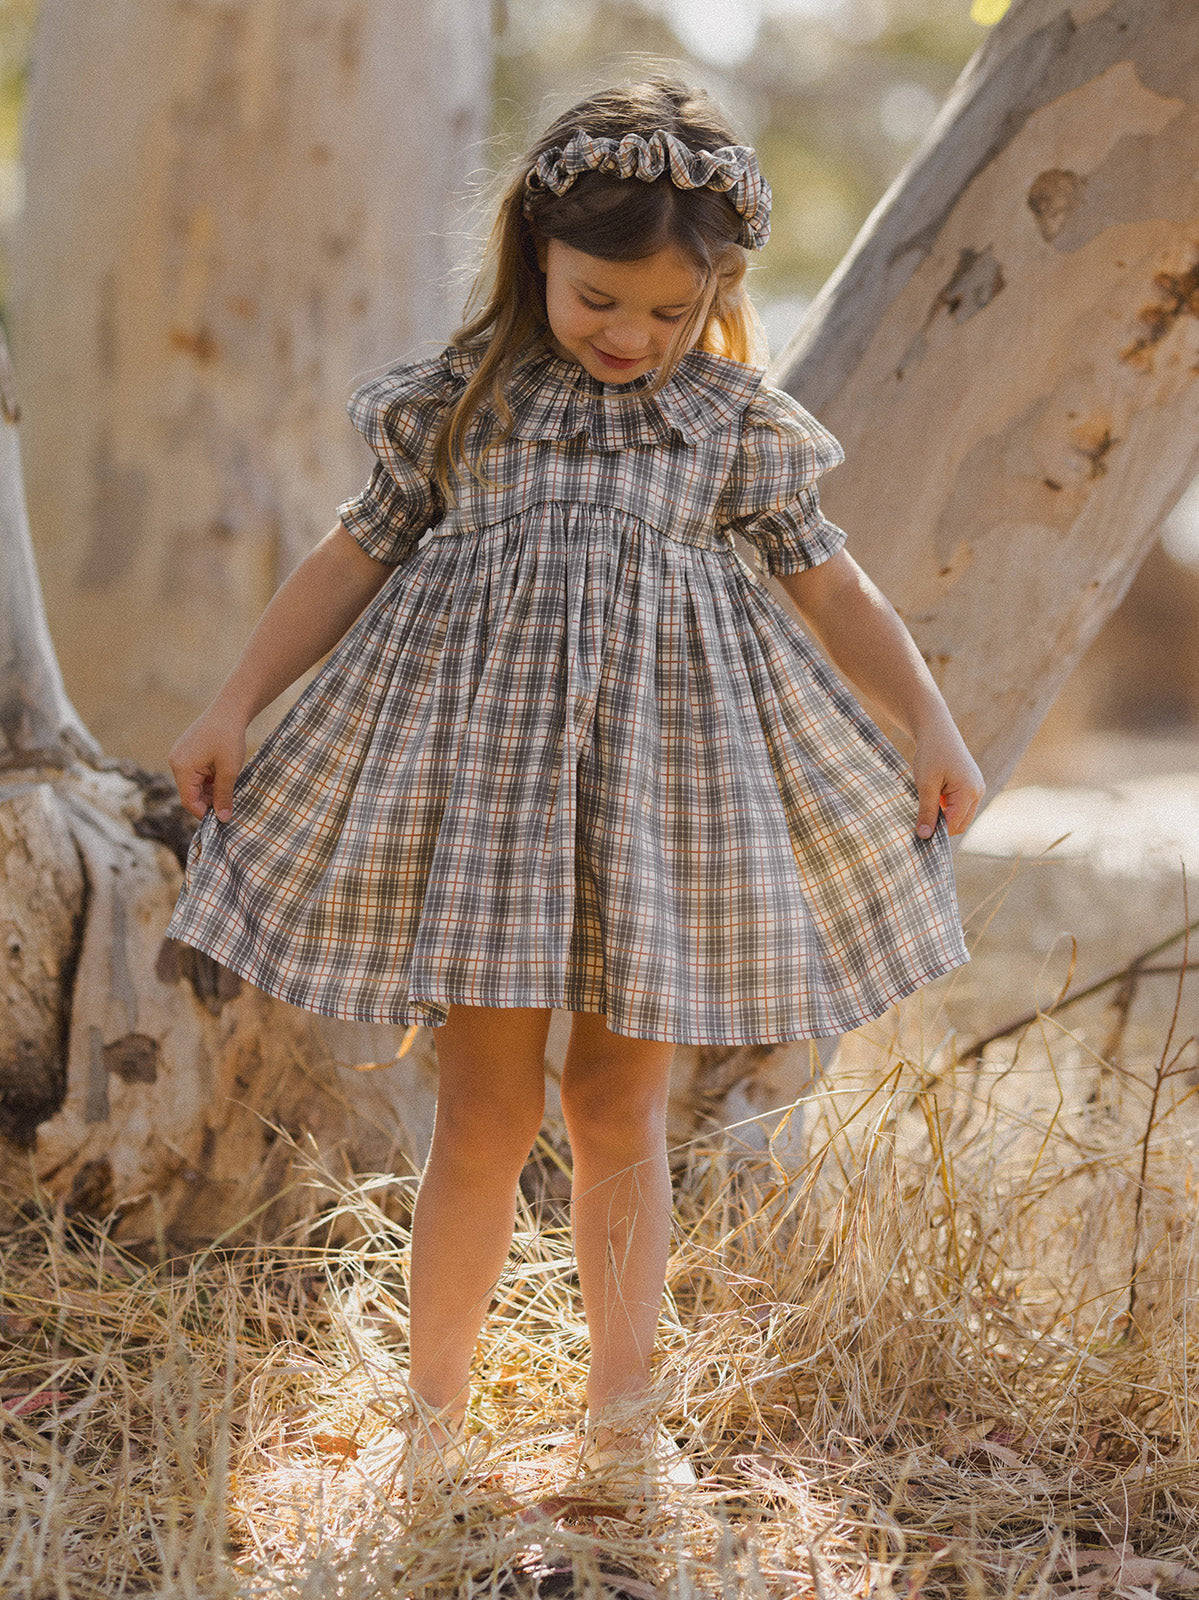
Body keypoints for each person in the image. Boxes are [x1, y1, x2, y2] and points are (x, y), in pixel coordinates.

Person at [166, 76, 984, 1486]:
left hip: (658, 808)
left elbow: (834, 589)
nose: (632, 336)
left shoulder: (727, 422)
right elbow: (349, 559)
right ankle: (430, 1423)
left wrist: (929, 722)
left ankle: (622, 1423)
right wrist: (239, 698)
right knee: (484, 1110)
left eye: (671, 313)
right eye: (602, 298)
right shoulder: (463, 404)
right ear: (538, 251)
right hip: (494, 806)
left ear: (714, 299)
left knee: (620, 1107)